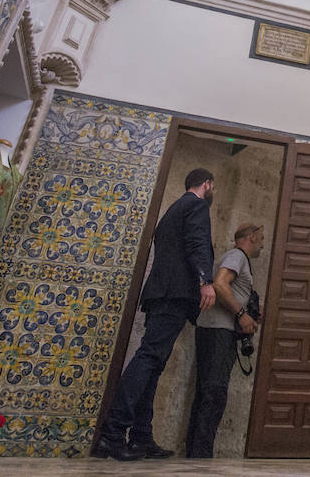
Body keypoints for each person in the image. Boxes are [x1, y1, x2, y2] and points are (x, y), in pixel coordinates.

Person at [91, 168, 217, 462]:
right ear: (207, 184)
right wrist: (205, 280)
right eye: (214, 187)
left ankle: (140, 438)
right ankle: (112, 436)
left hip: (160, 294)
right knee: (148, 358)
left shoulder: (173, 211)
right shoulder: (196, 205)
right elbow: (197, 244)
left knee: (153, 363)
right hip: (175, 294)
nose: (213, 193)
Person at [185, 222, 265, 458]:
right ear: (250, 237)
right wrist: (241, 315)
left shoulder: (237, 258)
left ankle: (196, 454)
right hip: (218, 331)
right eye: (261, 238)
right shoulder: (236, 255)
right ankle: (201, 456)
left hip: (217, 330)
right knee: (214, 393)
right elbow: (219, 284)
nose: (263, 243)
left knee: (207, 392)